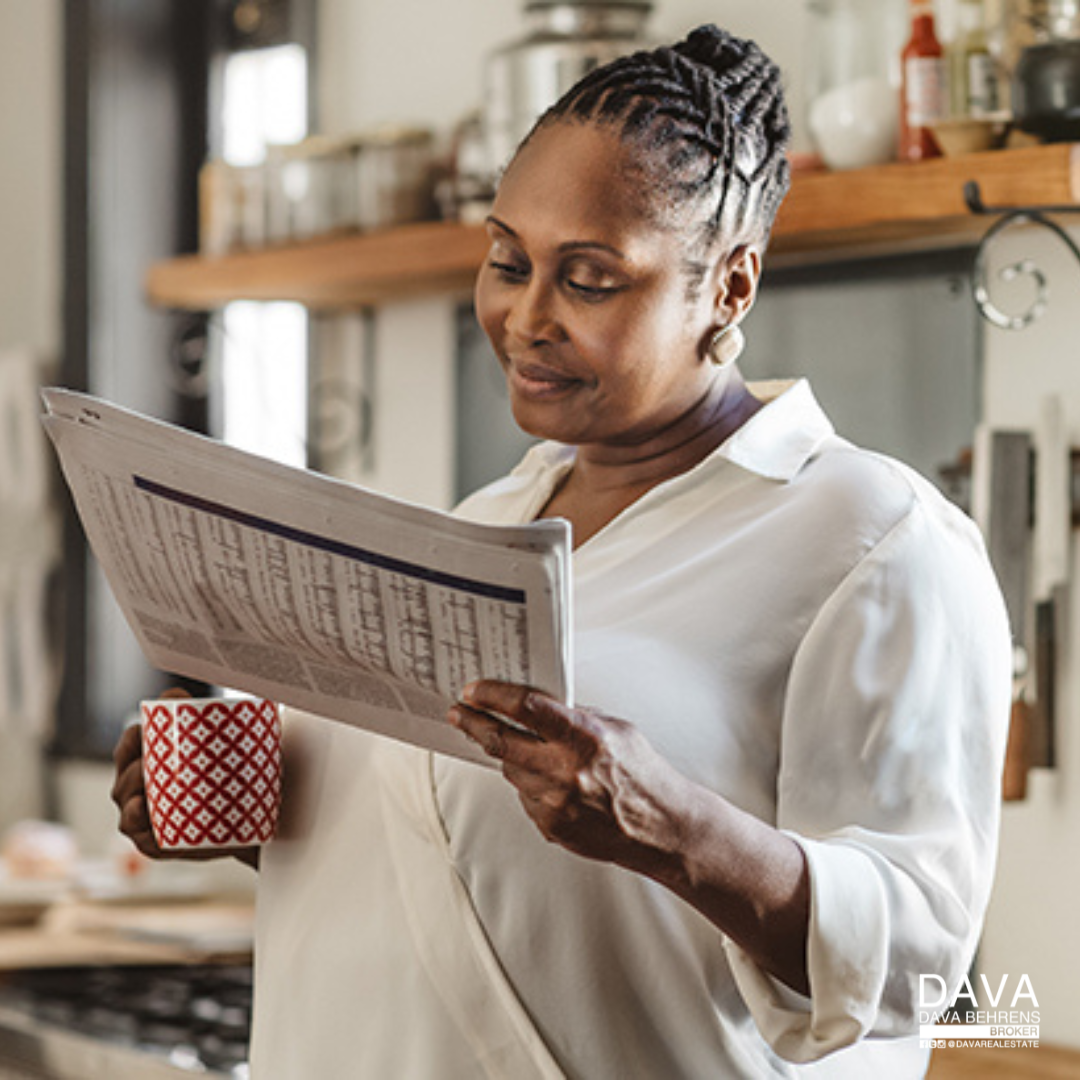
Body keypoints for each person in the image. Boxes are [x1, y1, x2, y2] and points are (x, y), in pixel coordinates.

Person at [111, 24, 1012, 1078]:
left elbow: (923, 968)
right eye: (507, 261)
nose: (525, 316)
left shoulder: (873, 540)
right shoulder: (483, 525)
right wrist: (264, 818)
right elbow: (466, 875)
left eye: (589, 280)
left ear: (729, 289)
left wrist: (676, 830)